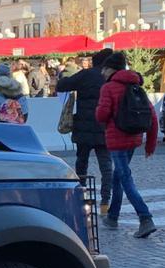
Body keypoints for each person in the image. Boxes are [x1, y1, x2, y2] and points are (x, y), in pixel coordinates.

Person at [95, 50, 159, 238]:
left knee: (125, 178)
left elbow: (101, 115)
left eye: (104, 69)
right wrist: (150, 144)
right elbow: (153, 117)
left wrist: (98, 111)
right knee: (118, 177)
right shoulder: (136, 86)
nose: (102, 73)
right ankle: (112, 217)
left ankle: (145, 218)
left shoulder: (108, 88)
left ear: (111, 69)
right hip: (134, 138)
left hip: (117, 140)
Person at [64, 49, 114, 209]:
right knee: (106, 166)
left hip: (83, 127)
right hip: (103, 127)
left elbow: (62, 85)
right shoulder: (110, 77)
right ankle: (105, 202)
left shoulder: (85, 75)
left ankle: (81, 197)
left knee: (81, 163)